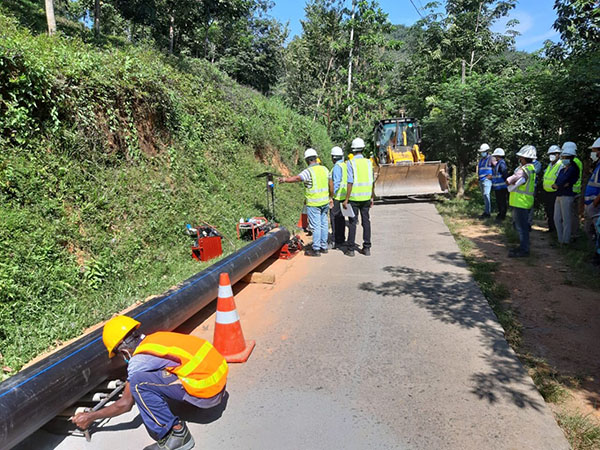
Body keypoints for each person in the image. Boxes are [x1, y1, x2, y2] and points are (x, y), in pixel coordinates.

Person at [72, 316, 228, 450]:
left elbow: (125, 404)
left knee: (138, 383)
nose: (123, 359)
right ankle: (185, 401)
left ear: (124, 351)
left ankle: (177, 434)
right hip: (218, 383)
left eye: (119, 355)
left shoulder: (139, 360)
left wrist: (91, 417)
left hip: (206, 392)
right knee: (153, 376)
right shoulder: (156, 338)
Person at [279, 148, 330, 256]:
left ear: (307, 160)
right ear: (316, 158)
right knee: (324, 224)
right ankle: (324, 246)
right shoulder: (325, 169)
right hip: (325, 202)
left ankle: (316, 249)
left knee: (316, 226)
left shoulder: (308, 171)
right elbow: (331, 183)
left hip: (314, 203)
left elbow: (298, 178)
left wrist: (284, 180)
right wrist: (331, 197)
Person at [342, 137, 374, 257]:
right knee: (366, 222)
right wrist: (371, 197)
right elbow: (372, 180)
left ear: (353, 150)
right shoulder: (368, 162)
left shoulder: (350, 163)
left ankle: (351, 249)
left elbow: (350, 182)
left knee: (352, 222)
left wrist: (346, 199)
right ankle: (367, 248)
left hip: (354, 198)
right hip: (366, 197)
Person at [507, 145, 537, 257]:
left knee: (522, 227)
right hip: (525, 201)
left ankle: (524, 250)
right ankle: (523, 247)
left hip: (520, 201)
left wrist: (508, 181)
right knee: (523, 227)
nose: (520, 159)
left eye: (521, 157)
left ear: (524, 158)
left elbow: (512, 179)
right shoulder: (532, 168)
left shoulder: (524, 169)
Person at [552, 144, 580, 245]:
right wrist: (559, 185)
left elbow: (565, 181)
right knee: (556, 218)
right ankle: (560, 240)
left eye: (565, 157)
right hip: (559, 195)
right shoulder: (563, 169)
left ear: (570, 158)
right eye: (563, 157)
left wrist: (560, 185)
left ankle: (565, 241)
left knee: (566, 219)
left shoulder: (573, 168)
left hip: (567, 196)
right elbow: (559, 181)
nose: (563, 159)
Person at [328, 146, 347, 250]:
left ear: (333, 157)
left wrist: (331, 197)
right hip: (345, 197)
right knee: (341, 219)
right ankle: (342, 239)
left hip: (337, 197)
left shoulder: (336, 167)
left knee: (334, 219)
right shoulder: (344, 165)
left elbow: (336, 183)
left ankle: (335, 240)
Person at [542, 145, 563, 233]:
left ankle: (555, 230)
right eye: (550, 154)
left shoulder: (560, 165)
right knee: (549, 211)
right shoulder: (550, 165)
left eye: (554, 154)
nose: (552, 155)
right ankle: (551, 228)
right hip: (547, 192)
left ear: (558, 154)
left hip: (555, 192)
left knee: (555, 212)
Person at [584, 137, 600, 243]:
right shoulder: (598, 165)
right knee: (589, 231)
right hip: (591, 205)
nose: (593, 153)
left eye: (595, 151)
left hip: (596, 205)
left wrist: (594, 203)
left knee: (597, 232)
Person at [491, 148, 508, 221]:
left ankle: (502, 215)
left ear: (498, 155)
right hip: (498, 187)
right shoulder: (498, 163)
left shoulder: (502, 163)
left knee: (502, 201)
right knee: (499, 201)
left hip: (502, 186)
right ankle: (500, 214)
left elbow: (504, 173)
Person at [477, 143, 493, 219]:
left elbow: (496, 168)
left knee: (487, 195)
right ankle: (486, 211)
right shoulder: (481, 160)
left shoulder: (491, 158)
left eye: (483, 151)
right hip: (481, 179)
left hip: (487, 180)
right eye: (481, 152)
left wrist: (492, 176)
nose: (482, 153)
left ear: (487, 151)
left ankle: (488, 213)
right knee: (484, 196)